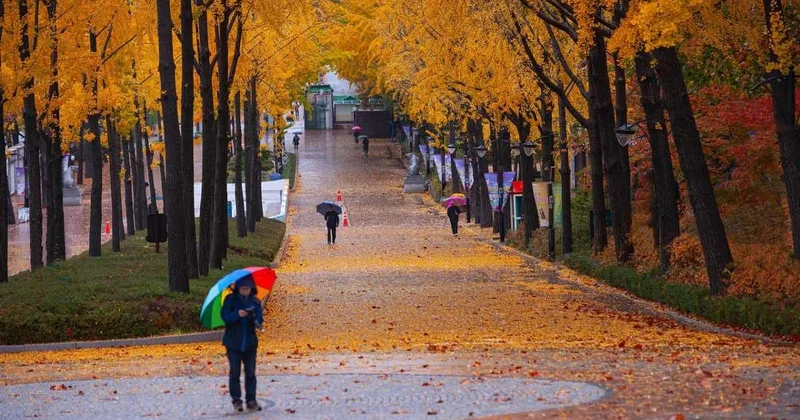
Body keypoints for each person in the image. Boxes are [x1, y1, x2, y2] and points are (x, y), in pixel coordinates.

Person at [221, 277, 263, 413]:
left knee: (250, 373)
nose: (245, 291)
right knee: (235, 373)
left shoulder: (255, 302)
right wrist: (237, 314)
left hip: (250, 343)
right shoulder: (230, 300)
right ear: (238, 288)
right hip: (233, 343)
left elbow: (260, 320)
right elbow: (225, 317)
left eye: (248, 288)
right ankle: (236, 400)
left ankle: (251, 400)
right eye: (243, 288)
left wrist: (253, 317)